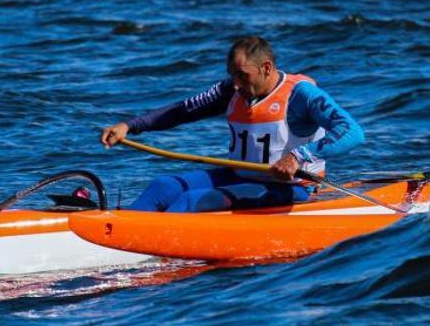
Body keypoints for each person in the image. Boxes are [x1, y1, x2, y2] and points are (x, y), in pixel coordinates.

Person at [100, 36, 364, 213]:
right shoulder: (232, 90)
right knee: (163, 186)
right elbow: (182, 110)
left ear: (267, 68)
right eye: (232, 75)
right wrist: (130, 126)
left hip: (292, 188)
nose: (235, 83)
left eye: (242, 75)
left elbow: (351, 132)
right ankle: (112, 233)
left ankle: (143, 244)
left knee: (192, 200)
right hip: (239, 176)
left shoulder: (300, 94)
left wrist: (297, 157)